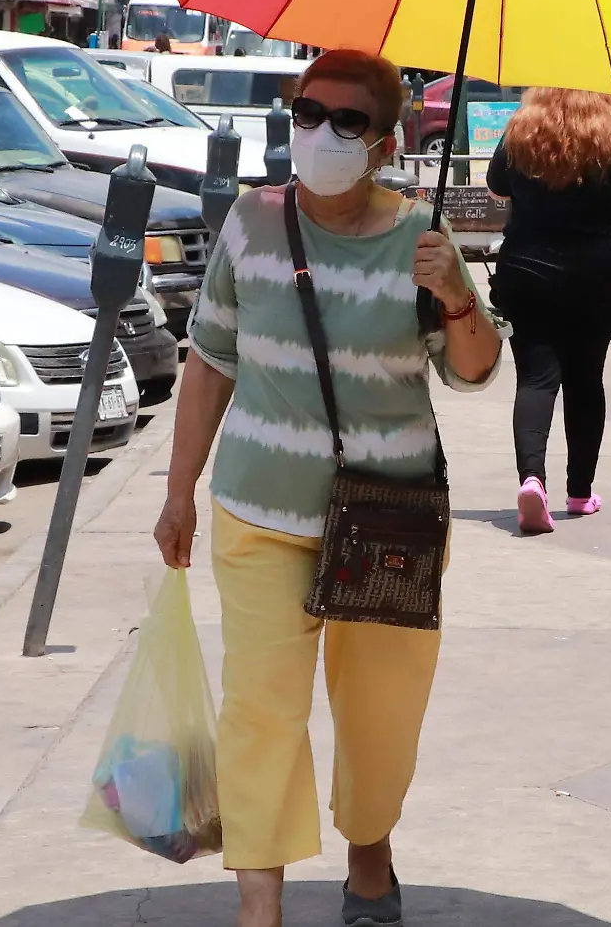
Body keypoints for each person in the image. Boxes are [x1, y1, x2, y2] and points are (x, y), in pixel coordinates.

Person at [153, 49, 500, 927]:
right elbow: (209, 364)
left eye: (348, 123)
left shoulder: (421, 235)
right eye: (309, 112)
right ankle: (258, 909)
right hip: (259, 511)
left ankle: (370, 850)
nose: (321, 134)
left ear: (384, 145)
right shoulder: (249, 222)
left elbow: (475, 370)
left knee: (379, 716)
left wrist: (456, 295)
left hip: (391, 515)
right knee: (259, 712)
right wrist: (179, 489)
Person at [487, 88, 611, 533]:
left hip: (527, 261)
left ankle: (532, 480)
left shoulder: (521, 127)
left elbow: (497, 183)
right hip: (597, 263)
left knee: (537, 377)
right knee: (585, 377)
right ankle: (579, 493)